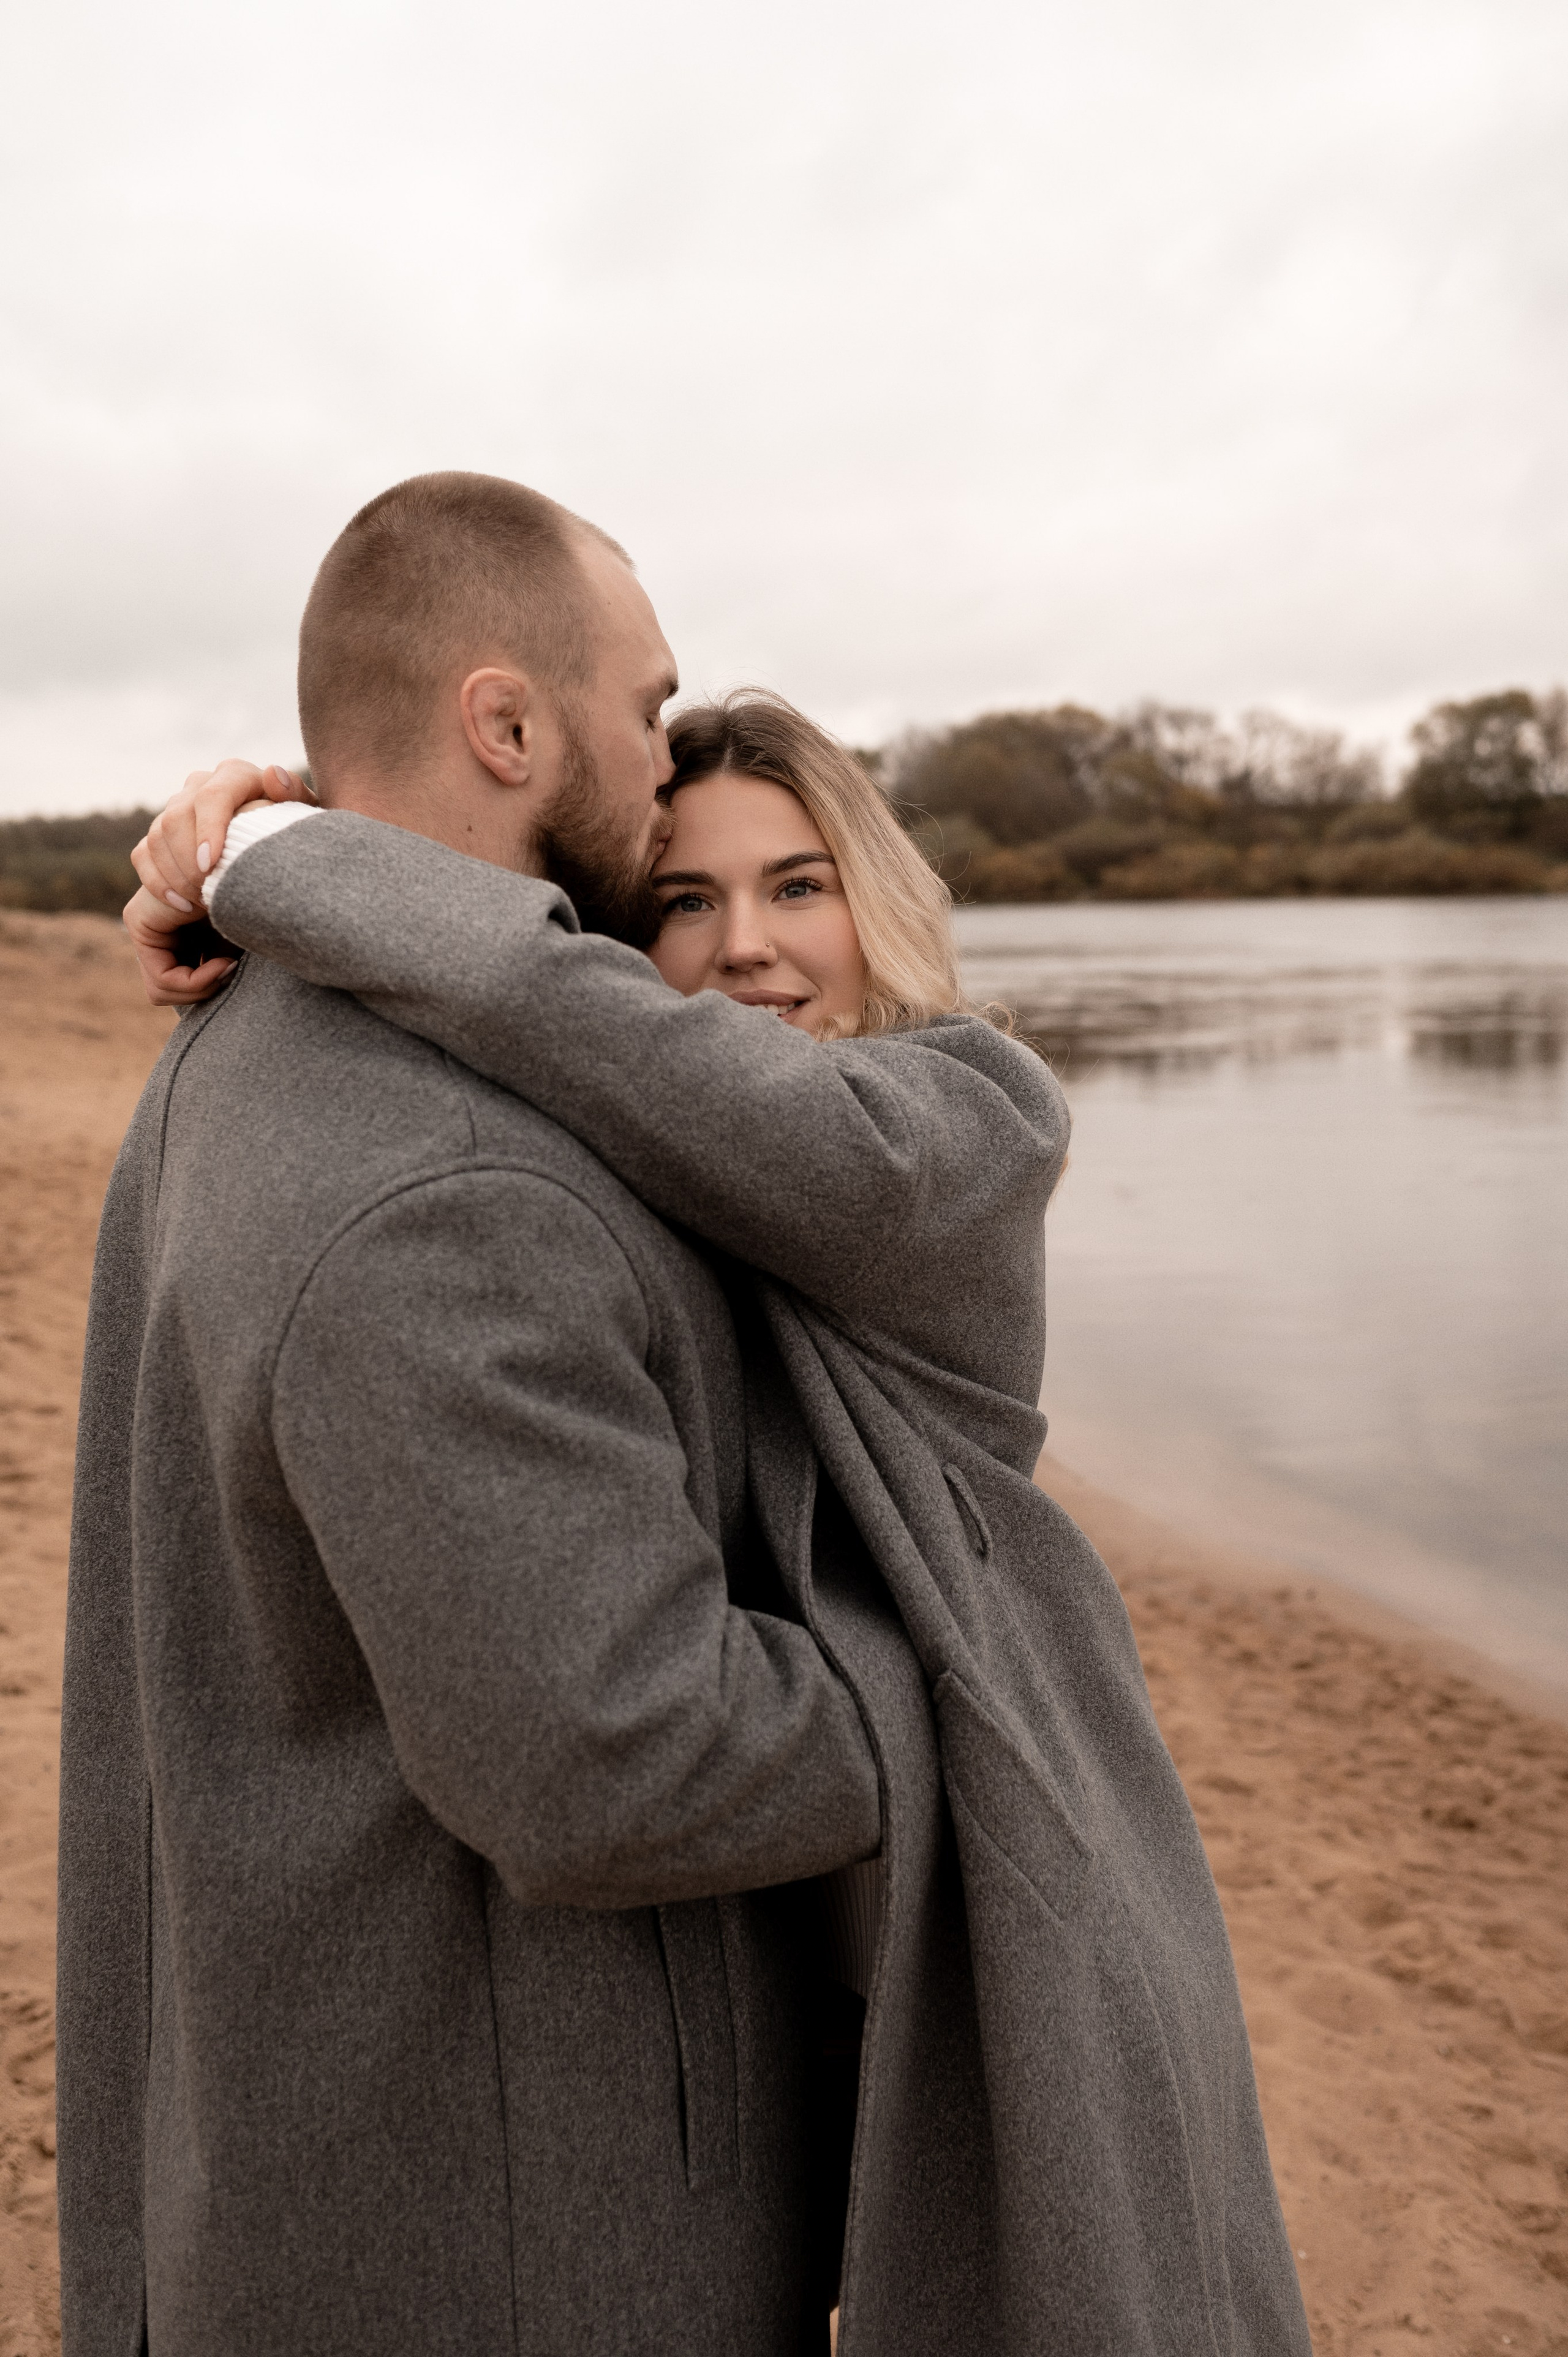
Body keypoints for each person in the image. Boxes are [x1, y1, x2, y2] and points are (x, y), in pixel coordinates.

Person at [127, 678, 1313, 2353]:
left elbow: (559, 1007)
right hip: (813, 1892)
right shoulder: (654, 1144)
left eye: (799, 886)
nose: (748, 946)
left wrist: (277, 849)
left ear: (880, 904)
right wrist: (286, 842)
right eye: (685, 902)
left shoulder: (960, 1121)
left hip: (1012, 1843)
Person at [59, 473, 888, 2357]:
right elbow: (620, 1764)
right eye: (649, 712)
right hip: (519, 2224)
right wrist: (954, 1683)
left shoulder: (258, 1038)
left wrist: (270, 846)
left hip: (346, 2124)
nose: (669, 770)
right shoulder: (450, 1190)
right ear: (509, 726)